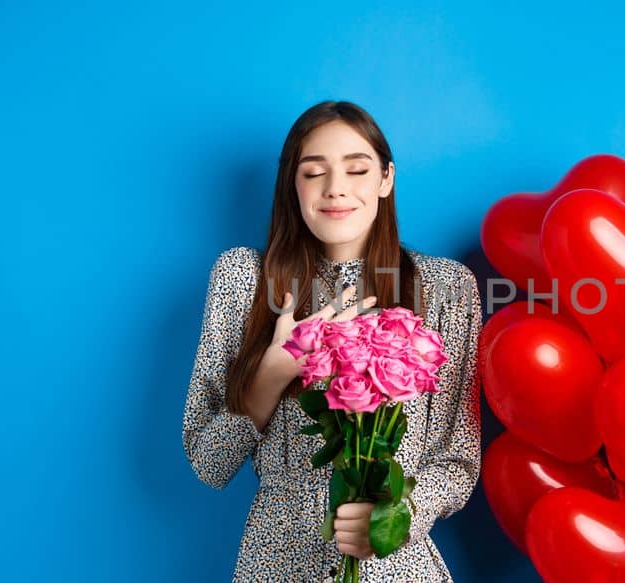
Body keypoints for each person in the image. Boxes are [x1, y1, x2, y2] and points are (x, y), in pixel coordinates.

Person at [181, 100, 482, 582]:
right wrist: (272, 375)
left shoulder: (445, 288)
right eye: (313, 172)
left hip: (394, 566)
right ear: (292, 185)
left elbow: (459, 459)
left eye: (357, 170)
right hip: (276, 562)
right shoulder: (243, 279)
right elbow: (208, 463)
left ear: (386, 179)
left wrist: (393, 519)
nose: (335, 188)